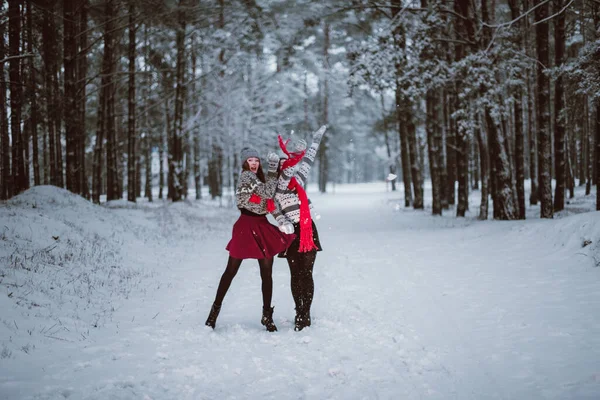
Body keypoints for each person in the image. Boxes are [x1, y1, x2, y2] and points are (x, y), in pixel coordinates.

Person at [205, 147, 295, 332]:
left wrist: (280, 219)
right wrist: (273, 168)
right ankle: (213, 314)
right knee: (230, 271)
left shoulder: (259, 179)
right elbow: (269, 193)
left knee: (266, 272)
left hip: (261, 225)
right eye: (250, 160)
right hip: (245, 227)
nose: (253, 164)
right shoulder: (247, 177)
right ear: (244, 163)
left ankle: (266, 316)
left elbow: (270, 202)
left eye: (256, 160)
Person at [272, 125, 327, 331]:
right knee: (296, 275)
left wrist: (315, 141)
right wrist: (282, 223)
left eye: (290, 167)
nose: (289, 170)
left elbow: (308, 161)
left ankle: (306, 314)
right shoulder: (277, 190)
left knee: (307, 273)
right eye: (284, 168)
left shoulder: (299, 181)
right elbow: (275, 210)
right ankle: (299, 311)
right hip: (292, 234)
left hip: (307, 230)